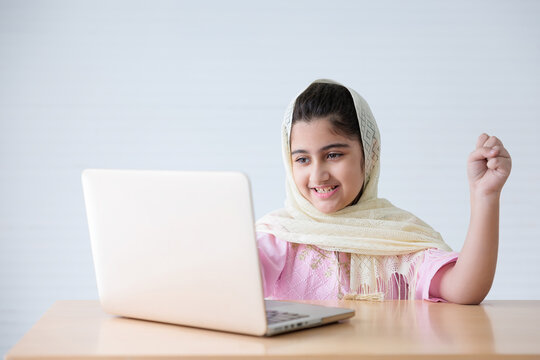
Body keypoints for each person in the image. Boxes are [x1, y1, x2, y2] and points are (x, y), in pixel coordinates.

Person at [255, 79, 512, 304]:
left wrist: (485, 196)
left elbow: (464, 289)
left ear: (370, 154)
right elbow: (227, 287)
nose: (317, 174)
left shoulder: (397, 238)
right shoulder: (279, 236)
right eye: (302, 159)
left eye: (333, 155)